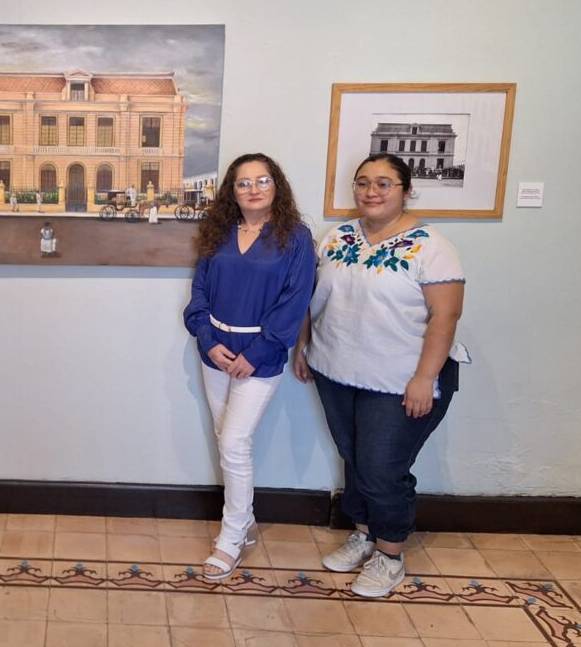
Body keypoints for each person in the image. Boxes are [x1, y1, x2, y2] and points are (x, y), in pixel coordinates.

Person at [293, 154, 466, 598]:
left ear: (406, 190)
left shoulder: (431, 246)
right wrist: (303, 347)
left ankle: (390, 555)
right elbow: (313, 297)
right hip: (336, 368)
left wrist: (425, 379)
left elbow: (444, 318)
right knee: (354, 458)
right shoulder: (338, 237)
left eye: (384, 184)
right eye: (363, 182)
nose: (372, 191)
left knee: (382, 468)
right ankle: (365, 532)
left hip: (401, 379)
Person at [183, 153, 315, 581]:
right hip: (215, 352)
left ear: (276, 185)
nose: (253, 189)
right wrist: (207, 338)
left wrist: (254, 354)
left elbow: (294, 304)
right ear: (232, 191)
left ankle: (231, 538)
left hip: (262, 355)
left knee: (235, 443)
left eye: (262, 180)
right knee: (226, 438)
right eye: (243, 183)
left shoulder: (295, 238)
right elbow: (198, 293)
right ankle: (247, 521)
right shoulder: (217, 233)